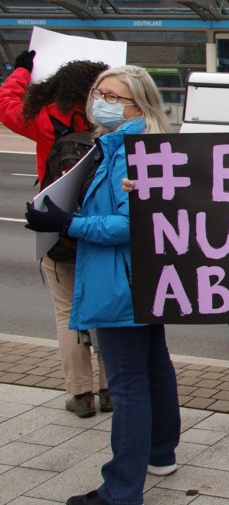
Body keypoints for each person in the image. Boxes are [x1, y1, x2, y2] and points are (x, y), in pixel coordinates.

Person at [25, 65, 180, 505]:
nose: (100, 101)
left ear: (139, 105)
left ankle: (120, 491)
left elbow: (131, 225)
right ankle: (161, 452)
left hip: (120, 282)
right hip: (143, 279)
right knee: (154, 366)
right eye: (98, 92)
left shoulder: (130, 151)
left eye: (114, 96)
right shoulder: (130, 146)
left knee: (128, 383)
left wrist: (66, 223)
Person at [0, 49, 112, 418]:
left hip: (58, 230)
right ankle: (112, 388)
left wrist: (20, 71)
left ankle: (81, 396)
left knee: (68, 313)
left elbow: (6, 104)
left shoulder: (46, 118)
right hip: (103, 230)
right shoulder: (112, 120)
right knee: (108, 310)